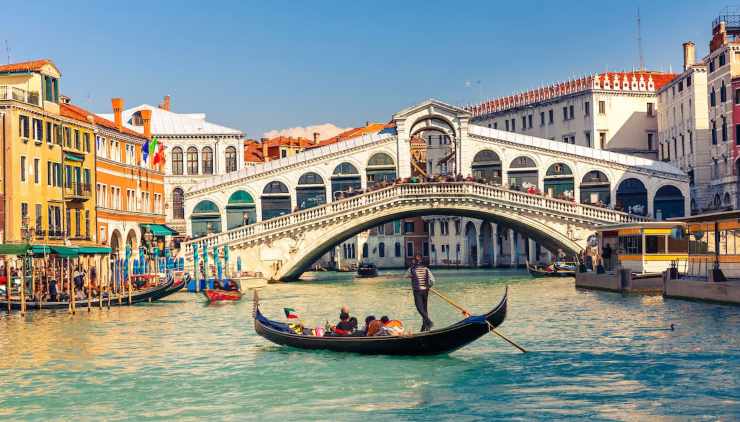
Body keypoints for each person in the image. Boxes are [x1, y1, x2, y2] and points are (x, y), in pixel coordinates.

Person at [407, 255, 434, 332]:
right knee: (424, 309)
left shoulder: (411, 269)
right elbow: (432, 281)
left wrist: (410, 276)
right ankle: (425, 328)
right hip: (425, 291)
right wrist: (429, 286)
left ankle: (428, 322)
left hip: (417, 291)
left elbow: (405, 275)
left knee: (419, 308)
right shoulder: (426, 269)